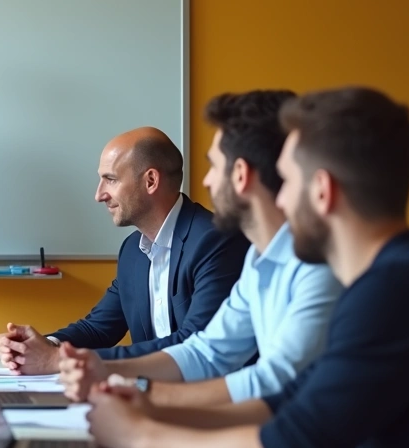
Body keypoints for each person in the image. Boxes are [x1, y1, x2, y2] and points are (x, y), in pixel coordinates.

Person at [84, 87, 409, 448]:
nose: (277, 198)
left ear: (322, 191)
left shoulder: (396, 292)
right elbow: (285, 402)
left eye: (287, 181)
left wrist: (140, 434)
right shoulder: (390, 280)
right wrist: (147, 404)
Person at [58, 91, 342, 408]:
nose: (206, 181)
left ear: (240, 175)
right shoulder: (258, 258)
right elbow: (206, 351)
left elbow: (273, 385)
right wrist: (105, 371)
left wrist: (140, 404)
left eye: (213, 166)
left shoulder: (317, 265)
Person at [0, 127, 248, 374]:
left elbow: (193, 345)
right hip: (152, 394)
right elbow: (99, 328)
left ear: (150, 181)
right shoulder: (133, 251)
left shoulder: (215, 240)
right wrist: (45, 345)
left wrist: (59, 360)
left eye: (110, 179)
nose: (99, 195)